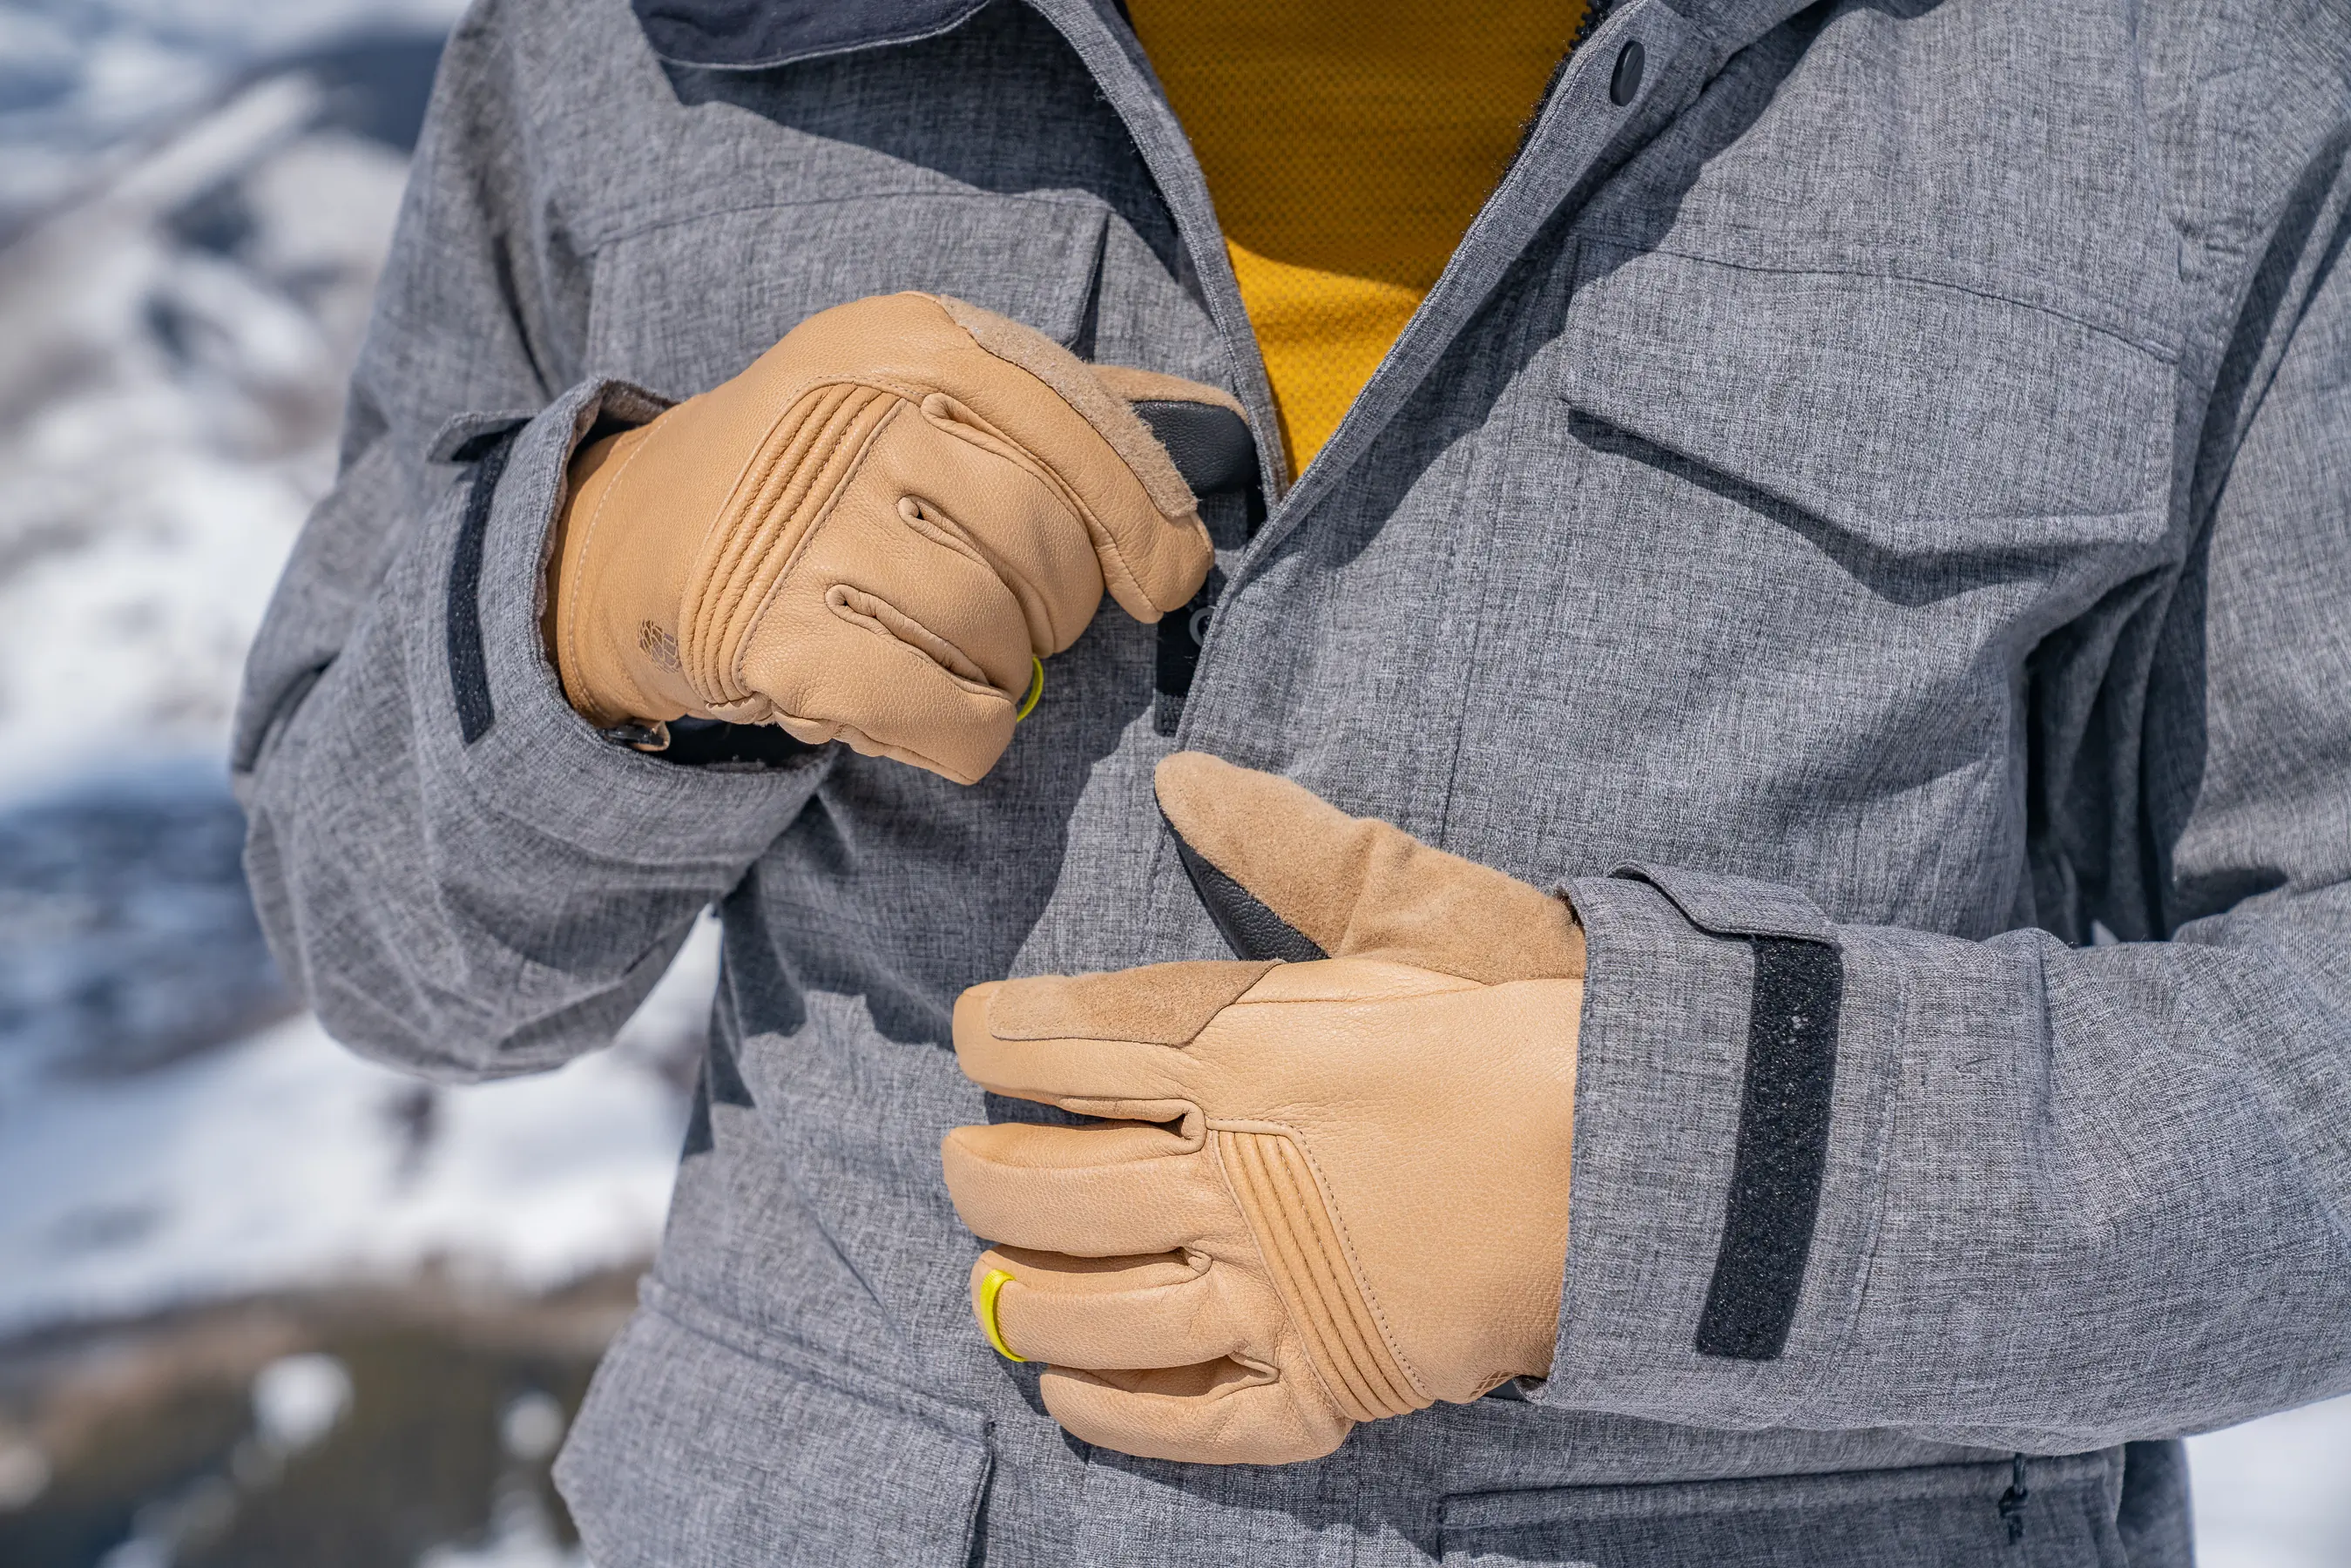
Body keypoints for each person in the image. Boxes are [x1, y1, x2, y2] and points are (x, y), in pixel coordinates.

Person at [233, 0, 2351, 1560]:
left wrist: (1683, 1165)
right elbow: (380, 948)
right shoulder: (641, 34)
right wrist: (591, 587)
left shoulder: (2203, 64)